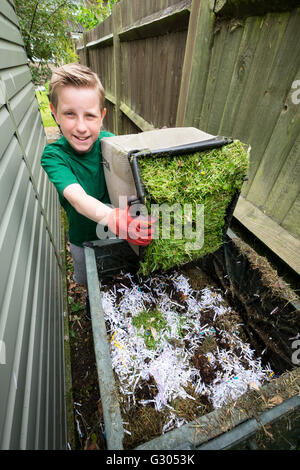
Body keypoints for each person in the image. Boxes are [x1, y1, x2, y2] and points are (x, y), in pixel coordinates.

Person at [41, 63, 155, 301]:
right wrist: (116, 219)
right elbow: (78, 199)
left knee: (120, 279)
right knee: (91, 285)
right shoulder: (54, 156)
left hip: (116, 235)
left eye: (90, 115)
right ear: (54, 113)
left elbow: (135, 173)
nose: (81, 127)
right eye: (70, 114)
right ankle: (92, 306)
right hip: (84, 242)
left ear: (102, 116)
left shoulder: (111, 143)